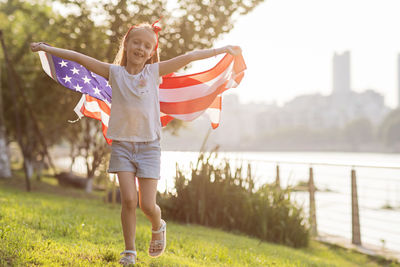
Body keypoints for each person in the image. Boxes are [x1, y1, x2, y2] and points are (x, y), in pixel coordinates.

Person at [30, 22, 241, 266]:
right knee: (128, 200)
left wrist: (223, 49)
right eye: (136, 42)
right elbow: (81, 58)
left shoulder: (153, 74)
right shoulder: (114, 73)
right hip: (122, 147)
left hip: (149, 148)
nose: (141, 48)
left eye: (147, 45)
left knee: (147, 205)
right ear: (127, 45)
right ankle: (129, 251)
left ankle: (158, 224)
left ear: (152, 52)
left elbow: (189, 56)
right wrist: (48, 49)